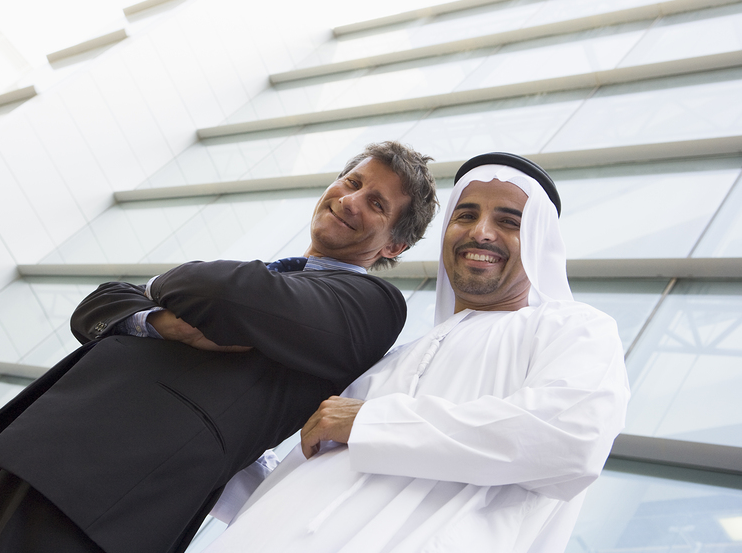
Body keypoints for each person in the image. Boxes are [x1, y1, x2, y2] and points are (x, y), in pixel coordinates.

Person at [0, 141, 439, 553]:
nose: (351, 200)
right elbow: (100, 303)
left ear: (395, 242)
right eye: (351, 181)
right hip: (10, 453)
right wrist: (157, 322)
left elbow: (214, 289)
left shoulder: (371, 304)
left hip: (98, 498)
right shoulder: (277, 282)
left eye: (376, 203)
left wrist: (173, 292)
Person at [202, 152, 631, 553]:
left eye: (510, 221)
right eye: (466, 215)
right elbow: (300, 483)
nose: (481, 231)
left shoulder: (574, 328)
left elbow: (569, 439)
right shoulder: (392, 359)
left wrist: (370, 422)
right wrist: (213, 450)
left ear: (540, 243)